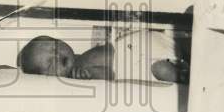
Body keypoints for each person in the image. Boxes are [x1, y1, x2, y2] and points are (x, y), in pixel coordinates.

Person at [17, 27, 188, 83]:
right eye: (50, 64)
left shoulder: (83, 59)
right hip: (141, 67)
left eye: (54, 46)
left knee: (163, 63)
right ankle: (182, 73)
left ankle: (181, 67)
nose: (56, 55)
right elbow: (109, 77)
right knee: (162, 69)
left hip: (138, 51)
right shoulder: (81, 74)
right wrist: (91, 76)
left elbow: (110, 66)